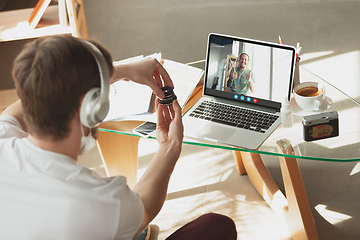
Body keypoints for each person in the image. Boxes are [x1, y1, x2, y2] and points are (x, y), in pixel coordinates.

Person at [0, 35, 237, 240]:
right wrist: (170, 146)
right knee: (216, 227)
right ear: (92, 107)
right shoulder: (95, 200)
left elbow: (13, 111)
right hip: (105, 218)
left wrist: (122, 71)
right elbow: (143, 209)